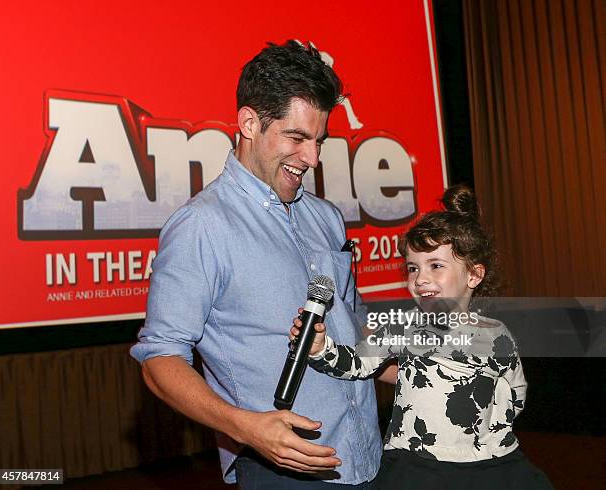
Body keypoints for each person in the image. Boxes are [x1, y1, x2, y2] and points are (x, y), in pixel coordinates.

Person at [130, 40, 384, 489]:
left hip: (366, 457)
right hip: (281, 473)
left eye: (319, 142)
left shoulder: (325, 217)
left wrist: (428, 372)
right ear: (249, 123)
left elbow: (353, 324)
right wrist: (243, 425)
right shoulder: (201, 226)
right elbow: (160, 358)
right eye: (297, 138)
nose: (313, 159)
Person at [290, 185, 555, 489]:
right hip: (414, 464)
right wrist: (321, 348)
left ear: (474, 275)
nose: (420, 279)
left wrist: (487, 432)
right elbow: (359, 364)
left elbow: (514, 390)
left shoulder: (495, 335)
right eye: (413, 268)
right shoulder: (401, 327)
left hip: (484, 465)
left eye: (436, 266)